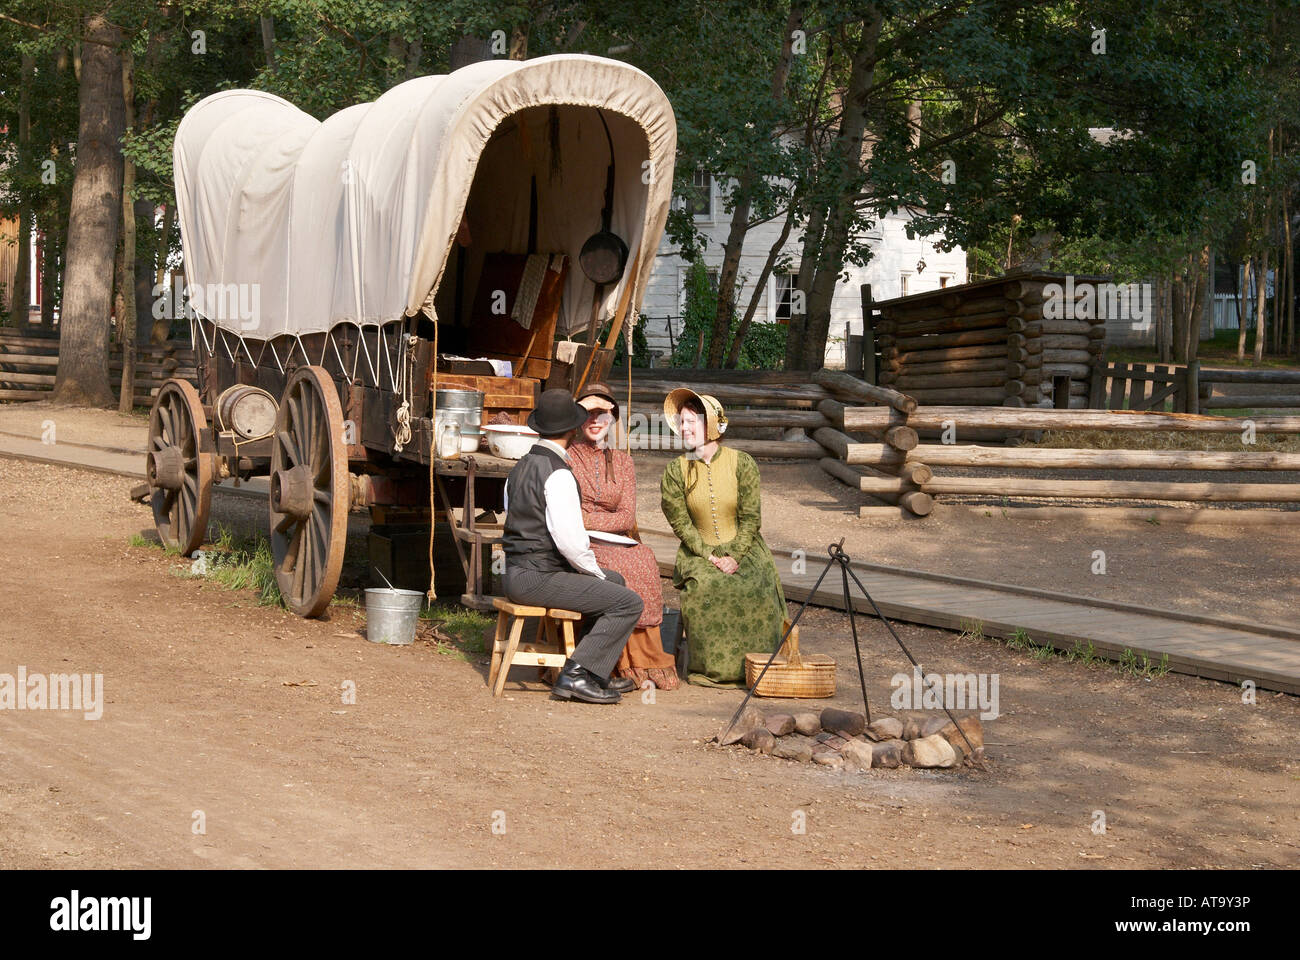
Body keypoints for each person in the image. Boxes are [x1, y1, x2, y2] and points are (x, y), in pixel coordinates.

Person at [502, 388, 643, 704]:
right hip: (537, 577)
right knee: (628, 601)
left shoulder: (519, 467)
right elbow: (571, 544)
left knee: (616, 582)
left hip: (515, 573)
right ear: (569, 430)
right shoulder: (559, 474)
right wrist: (595, 572)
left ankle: (594, 671)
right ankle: (575, 676)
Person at [660, 389, 788, 687]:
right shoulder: (675, 471)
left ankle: (760, 669)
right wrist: (708, 555)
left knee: (755, 585)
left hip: (744, 548)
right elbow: (680, 523)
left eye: (692, 421)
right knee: (707, 586)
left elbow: (751, 517)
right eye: (681, 422)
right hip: (699, 551)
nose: (684, 428)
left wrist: (735, 556)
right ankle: (712, 670)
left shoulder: (742, 463)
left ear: (713, 425)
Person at [568, 382, 679, 691]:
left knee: (643, 557)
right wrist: (594, 520)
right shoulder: (567, 457)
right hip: (579, 541)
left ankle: (644, 662)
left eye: (602, 414)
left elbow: (628, 517)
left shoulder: (623, 462)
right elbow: (571, 516)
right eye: (588, 414)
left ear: (612, 419)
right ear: (578, 419)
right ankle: (617, 664)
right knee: (619, 568)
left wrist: (590, 517)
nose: (594, 421)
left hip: (617, 539)